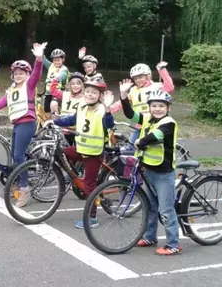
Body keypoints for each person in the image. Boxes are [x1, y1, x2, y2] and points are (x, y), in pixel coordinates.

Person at [0, 43, 47, 207]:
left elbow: (37, 73)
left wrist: (38, 58)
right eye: (15, 73)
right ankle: (16, 182)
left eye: (21, 73)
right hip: (17, 124)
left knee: (18, 156)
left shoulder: (29, 86)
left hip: (28, 123)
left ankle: (24, 189)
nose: (18, 75)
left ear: (27, 74)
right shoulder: (12, 90)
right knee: (16, 156)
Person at [119, 79, 182, 255]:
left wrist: (141, 140)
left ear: (167, 108)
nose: (157, 109)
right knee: (150, 205)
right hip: (149, 169)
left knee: (166, 209)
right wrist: (124, 96)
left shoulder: (168, 122)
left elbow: (157, 135)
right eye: (154, 106)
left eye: (161, 106)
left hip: (163, 173)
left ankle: (173, 244)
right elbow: (130, 114)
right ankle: (149, 236)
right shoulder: (148, 118)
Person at [44, 76, 115, 228]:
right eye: (88, 92)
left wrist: (108, 109)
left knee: (89, 186)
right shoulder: (82, 107)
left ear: (100, 96)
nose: (90, 95)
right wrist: (54, 121)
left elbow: (109, 124)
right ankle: (77, 179)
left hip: (93, 153)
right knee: (61, 152)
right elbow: (71, 120)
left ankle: (92, 218)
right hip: (81, 148)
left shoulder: (102, 110)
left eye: (94, 93)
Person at [110, 62, 174, 145]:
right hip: (140, 124)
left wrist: (162, 70)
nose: (138, 80)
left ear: (148, 76)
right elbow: (121, 103)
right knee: (131, 144)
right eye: (135, 78)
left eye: (140, 77)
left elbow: (170, 87)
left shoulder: (156, 87)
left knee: (151, 145)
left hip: (155, 123)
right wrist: (109, 109)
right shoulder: (133, 90)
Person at [49, 71, 86, 146]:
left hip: (78, 130)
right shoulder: (65, 94)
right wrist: (57, 79)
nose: (75, 86)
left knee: (77, 151)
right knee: (64, 150)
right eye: (73, 84)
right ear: (69, 85)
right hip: (65, 128)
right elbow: (53, 90)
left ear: (82, 85)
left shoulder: (86, 98)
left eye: (78, 84)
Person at [41, 48, 69, 113]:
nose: (56, 62)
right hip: (48, 92)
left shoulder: (64, 69)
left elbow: (62, 76)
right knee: (46, 110)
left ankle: (56, 120)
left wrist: (56, 79)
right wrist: (40, 52)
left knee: (54, 106)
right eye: (55, 60)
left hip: (58, 93)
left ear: (63, 60)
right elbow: (44, 60)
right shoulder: (51, 66)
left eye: (58, 60)